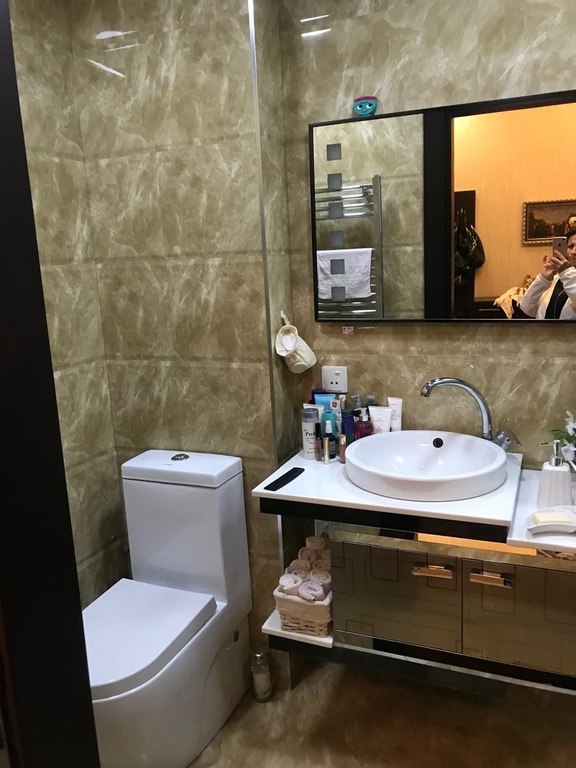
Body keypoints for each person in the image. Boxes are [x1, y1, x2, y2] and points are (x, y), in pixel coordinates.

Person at [519, 228, 576, 319]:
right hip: (542, 328)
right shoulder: (555, 280)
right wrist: (542, 279)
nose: (574, 252)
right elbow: (526, 308)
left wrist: (567, 272)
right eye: (570, 246)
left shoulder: (566, 275)